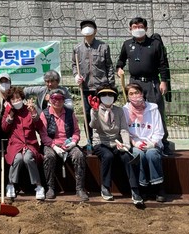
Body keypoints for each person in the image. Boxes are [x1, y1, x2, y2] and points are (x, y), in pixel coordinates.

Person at [116, 17, 172, 154]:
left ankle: (161, 143)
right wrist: (119, 68)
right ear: (130, 29)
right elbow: (121, 59)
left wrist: (163, 81)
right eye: (134, 27)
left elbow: (163, 64)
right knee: (132, 113)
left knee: (157, 111)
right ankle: (134, 140)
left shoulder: (155, 44)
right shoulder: (127, 44)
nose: (137, 29)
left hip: (152, 82)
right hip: (135, 83)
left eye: (140, 26)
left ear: (146, 28)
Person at [88, 85, 143, 206]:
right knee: (108, 156)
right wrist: (96, 112)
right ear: (99, 97)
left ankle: (135, 190)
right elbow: (93, 126)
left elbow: (123, 129)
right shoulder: (95, 109)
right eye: (104, 95)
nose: (107, 97)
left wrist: (126, 145)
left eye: (110, 95)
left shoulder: (119, 110)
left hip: (117, 142)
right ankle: (105, 187)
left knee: (127, 157)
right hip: (101, 142)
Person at [39, 89, 88, 201]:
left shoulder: (70, 113)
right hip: (51, 144)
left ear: (64, 100)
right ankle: (50, 187)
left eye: (60, 98)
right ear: (50, 100)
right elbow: (43, 135)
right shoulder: (44, 114)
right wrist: (54, 146)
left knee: (79, 155)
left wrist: (74, 142)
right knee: (49, 157)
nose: (57, 101)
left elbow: (76, 131)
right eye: (54, 98)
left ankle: (80, 188)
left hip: (67, 143)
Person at [123, 82, 166, 202]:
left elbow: (158, 130)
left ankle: (158, 187)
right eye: (131, 93)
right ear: (127, 96)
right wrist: (134, 142)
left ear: (141, 93)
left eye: (137, 92)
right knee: (138, 155)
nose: (135, 96)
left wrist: (153, 143)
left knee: (152, 154)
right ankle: (143, 186)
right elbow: (125, 130)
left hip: (152, 142)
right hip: (136, 143)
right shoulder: (125, 110)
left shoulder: (153, 108)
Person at [72, 19, 115, 140]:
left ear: (95, 31)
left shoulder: (103, 47)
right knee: (87, 114)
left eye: (89, 26)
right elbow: (74, 64)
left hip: (101, 87)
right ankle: (90, 140)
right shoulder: (77, 48)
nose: (87, 28)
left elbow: (109, 67)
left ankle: (105, 139)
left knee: (103, 114)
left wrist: (111, 85)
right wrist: (76, 75)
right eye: (84, 27)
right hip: (85, 88)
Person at [1, 87, 45, 202]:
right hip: (15, 145)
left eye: (18, 98)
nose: (16, 101)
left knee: (28, 158)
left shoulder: (29, 110)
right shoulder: (9, 111)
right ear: (10, 101)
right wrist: (10, 116)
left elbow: (40, 127)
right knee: (18, 158)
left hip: (30, 144)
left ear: (22, 99)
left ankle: (38, 185)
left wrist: (34, 114)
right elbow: (4, 129)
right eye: (14, 100)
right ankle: (11, 184)